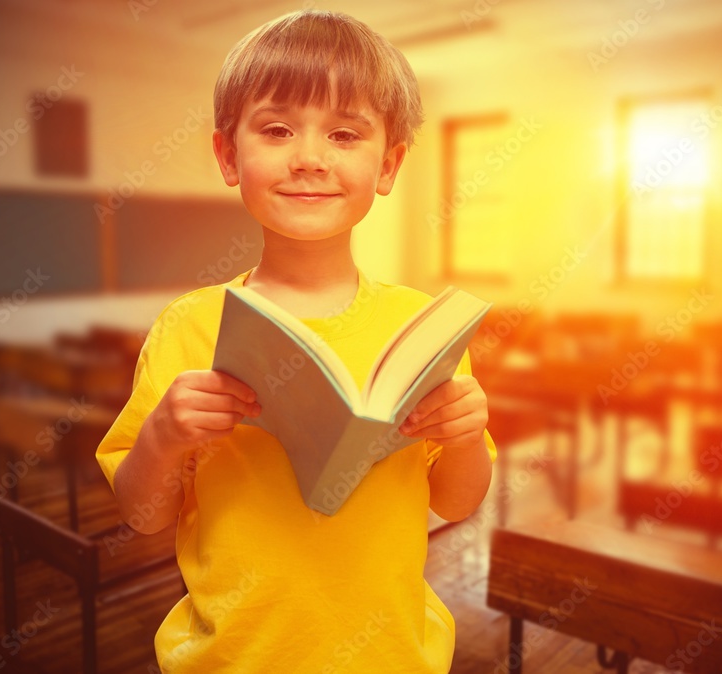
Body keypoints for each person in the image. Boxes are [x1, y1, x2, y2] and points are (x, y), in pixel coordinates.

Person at [95, 9, 496, 673]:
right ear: (229, 155)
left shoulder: (422, 330)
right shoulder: (190, 325)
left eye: (345, 134)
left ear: (388, 164)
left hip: (394, 655)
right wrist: (164, 436)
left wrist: (460, 434)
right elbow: (143, 515)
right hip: (229, 658)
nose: (309, 158)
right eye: (277, 129)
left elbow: (457, 500)